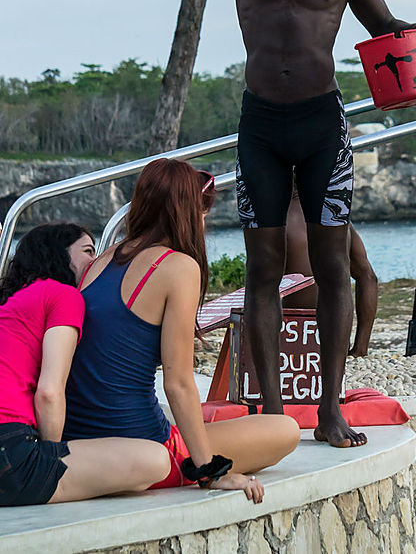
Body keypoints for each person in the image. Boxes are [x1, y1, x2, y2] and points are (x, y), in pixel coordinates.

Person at [61, 0, 416, 447]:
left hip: (324, 124)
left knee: (333, 269)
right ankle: (271, 410)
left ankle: (328, 409)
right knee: (263, 269)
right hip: (262, 124)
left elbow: (386, 31)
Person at [63, 158, 299, 501]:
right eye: (202, 213)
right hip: (144, 443)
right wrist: (208, 470)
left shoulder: (101, 259)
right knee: (284, 429)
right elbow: (178, 382)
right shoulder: (177, 267)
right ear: (189, 213)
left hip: (82, 439)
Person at [0, 223, 173, 506]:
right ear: (59, 255)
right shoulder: (63, 295)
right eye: (89, 251)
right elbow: (49, 392)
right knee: (156, 459)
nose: (97, 262)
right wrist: (49, 458)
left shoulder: (10, 304)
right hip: (10, 452)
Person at [284, 193, 378, 357]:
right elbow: (368, 277)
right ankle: (360, 349)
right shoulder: (339, 219)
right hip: (335, 337)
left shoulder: (277, 218)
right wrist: (360, 348)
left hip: (291, 333)